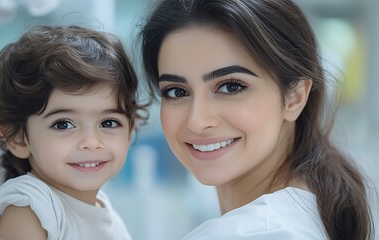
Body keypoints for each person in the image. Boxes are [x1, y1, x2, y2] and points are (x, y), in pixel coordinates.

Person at [139, 0, 374, 239]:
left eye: (231, 87)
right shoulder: (306, 212)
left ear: (294, 97)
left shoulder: (255, 231)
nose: (197, 121)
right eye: (176, 92)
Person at [0, 25, 147, 239]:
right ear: (18, 138)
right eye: (63, 124)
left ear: (130, 131)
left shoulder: (104, 210)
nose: (91, 142)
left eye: (109, 123)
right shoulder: (30, 207)